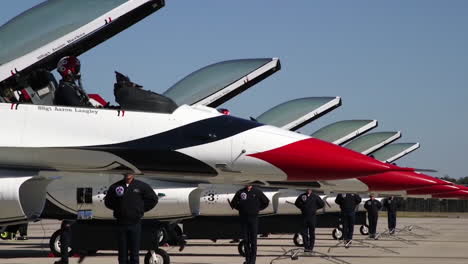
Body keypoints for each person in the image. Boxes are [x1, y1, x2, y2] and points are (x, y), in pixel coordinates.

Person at [104, 173, 158, 264]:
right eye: (125, 172)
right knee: (122, 254)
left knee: (134, 253)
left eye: (129, 172)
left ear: (133, 173)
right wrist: (119, 209)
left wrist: (140, 209)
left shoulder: (142, 186)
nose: (127, 174)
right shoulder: (115, 187)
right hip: (121, 224)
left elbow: (153, 199)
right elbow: (108, 202)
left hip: (135, 223)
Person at [230, 185, 270, 264]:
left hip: (253, 219)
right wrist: (241, 208)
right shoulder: (240, 192)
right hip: (243, 219)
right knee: (246, 240)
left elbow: (266, 202)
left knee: (253, 241)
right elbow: (233, 203)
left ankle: (252, 261)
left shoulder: (257, 192)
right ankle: (248, 260)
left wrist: (258, 209)